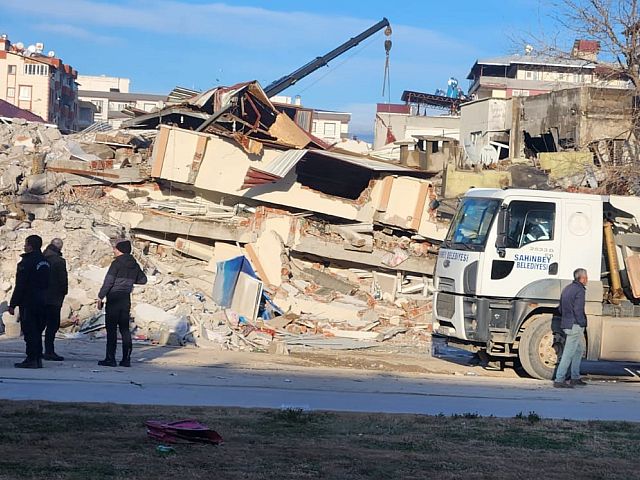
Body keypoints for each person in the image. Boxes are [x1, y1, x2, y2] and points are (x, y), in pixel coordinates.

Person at [97, 239, 147, 367]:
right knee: (125, 330)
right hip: (125, 299)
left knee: (112, 330)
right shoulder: (134, 264)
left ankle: (110, 358)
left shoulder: (116, 264)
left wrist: (100, 296)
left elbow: (108, 281)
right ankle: (126, 359)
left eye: (115, 249)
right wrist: (129, 280)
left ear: (120, 250)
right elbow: (143, 280)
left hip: (114, 298)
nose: (113, 250)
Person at [8, 235, 50, 369]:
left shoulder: (26, 263)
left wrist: (13, 303)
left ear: (30, 246)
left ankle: (32, 358)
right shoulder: (45, 262)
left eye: (26, 244)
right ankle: (37, 358)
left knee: (30, 331)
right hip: (43, 300)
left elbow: (20, 285)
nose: (24, 246)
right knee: (37, 330)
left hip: (29, 301)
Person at [554, 268, 589, 388]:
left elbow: (560, 308)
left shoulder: (567, 288)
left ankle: (575, 377)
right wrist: (582, 322)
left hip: (566, 323)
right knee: (568, 353)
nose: (587, 279)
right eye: (586, 277)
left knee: (579, 350)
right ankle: (559, 379)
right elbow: (578, 310)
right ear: (582, 278)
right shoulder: (580, 290)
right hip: (575, 325)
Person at [42, 238, 68, 361]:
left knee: (39, 325)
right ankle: (49, 351)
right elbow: (63, 280)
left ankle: (35, 351)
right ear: (60, 248)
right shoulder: (59, 261)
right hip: (54, 298)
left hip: (39, 297)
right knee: (52, 326)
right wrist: (64, 292)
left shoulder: (40, 258)